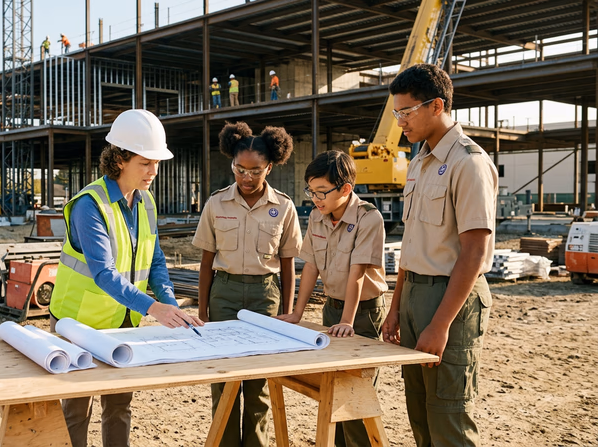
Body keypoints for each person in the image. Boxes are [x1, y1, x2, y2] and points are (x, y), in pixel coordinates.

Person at [48, 109, 204, 447]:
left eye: (156, 163)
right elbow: (104, 272)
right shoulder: (89, 205)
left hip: (124, 322)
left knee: (119, 405)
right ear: (120, 159)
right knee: (77, 409)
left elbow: (155, 258)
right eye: (145, 163)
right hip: (80, 324)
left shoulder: (146, 201)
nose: (153, 172)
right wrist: (154, 309)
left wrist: (170, 304)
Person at [381, 63, 498, 447]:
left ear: (437, 106)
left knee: (449, 417)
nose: (400, 121)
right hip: (415, 295)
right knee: (419, 410)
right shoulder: (418, 162)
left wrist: (441, 324)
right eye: (396, 112)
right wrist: (396, 306)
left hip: (450, 299)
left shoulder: (469, 162)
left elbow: (474, 250)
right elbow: (412, 245)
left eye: (407, 111)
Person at [192, 121, 301, 447]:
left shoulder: (283, 207)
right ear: (232, 164)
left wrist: (288, 314)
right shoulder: (215, 204)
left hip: (264, 297)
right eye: (240, 169)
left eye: (256, 171)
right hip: (223, 295)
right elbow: (207, 263)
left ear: (269, 167)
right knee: (223, 380)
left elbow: (288, 265)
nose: (247, 178)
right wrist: (203, 313)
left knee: (259, 382)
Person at [276, 150, 387, 447]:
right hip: (332, 310)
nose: (316, 198)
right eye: (311, 191)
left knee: (355, 396)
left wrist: (348, 321)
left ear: (346, 189)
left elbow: (357, 273)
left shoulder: (368, 218)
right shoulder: (317, 216)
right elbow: (310, 265)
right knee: (332, 394)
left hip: (363, 312)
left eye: (322, 192)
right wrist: (297, 313)